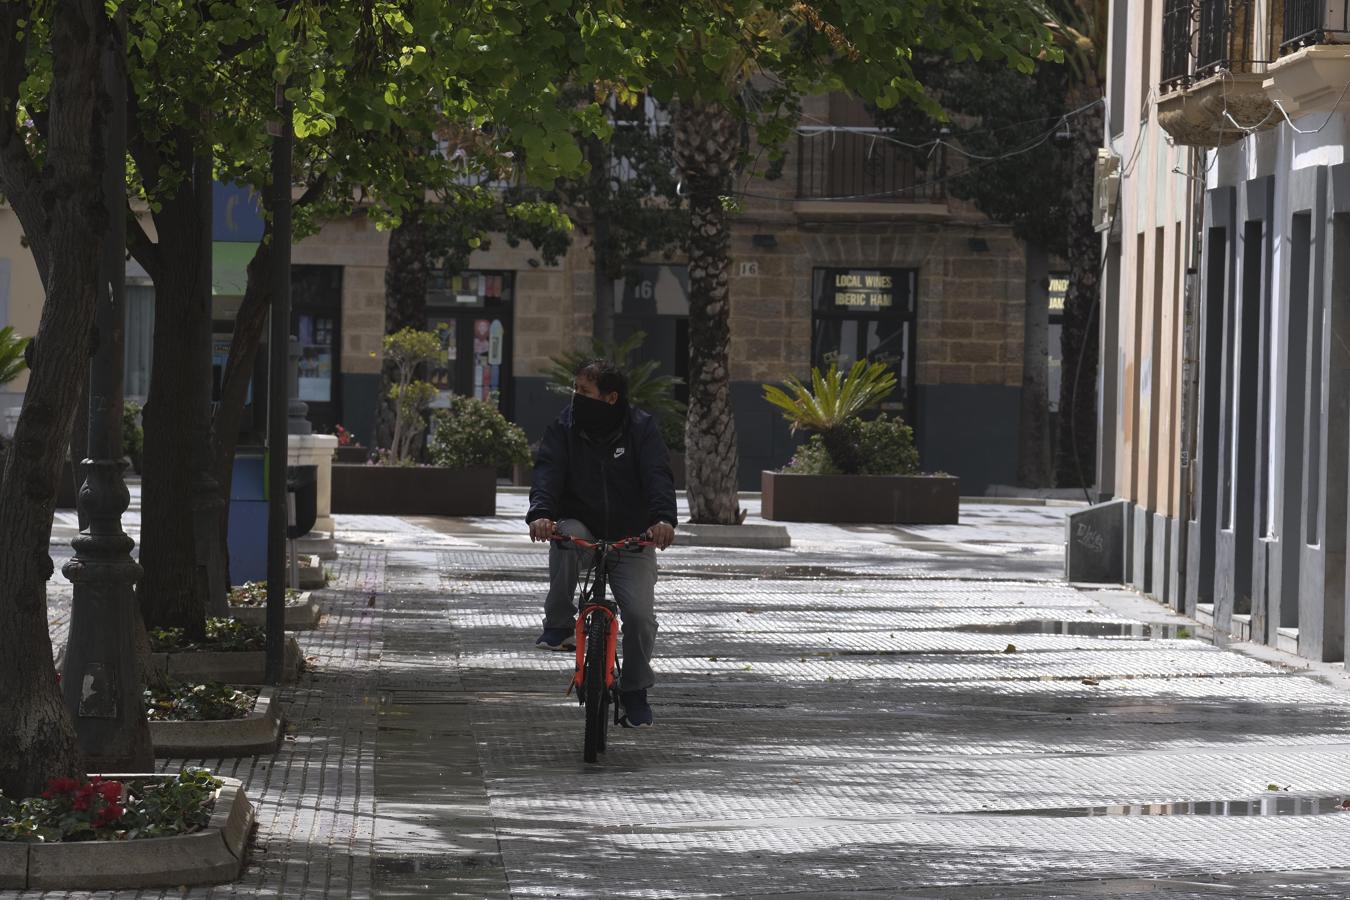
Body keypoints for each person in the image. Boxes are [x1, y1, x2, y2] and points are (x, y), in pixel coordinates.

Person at [526, 359, 677, 728]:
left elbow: (658, 474)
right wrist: (541, 514)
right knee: (565, 539)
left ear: (610, 398)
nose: (577, 398)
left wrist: (662, 521)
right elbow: (548, 470)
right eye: (575, 390)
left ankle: (635, 691)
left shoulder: (641, 429)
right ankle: (559, 624)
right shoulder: (565, 427)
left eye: (585, 392)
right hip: (584, 526)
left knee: (641, 618)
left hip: (633, 535)